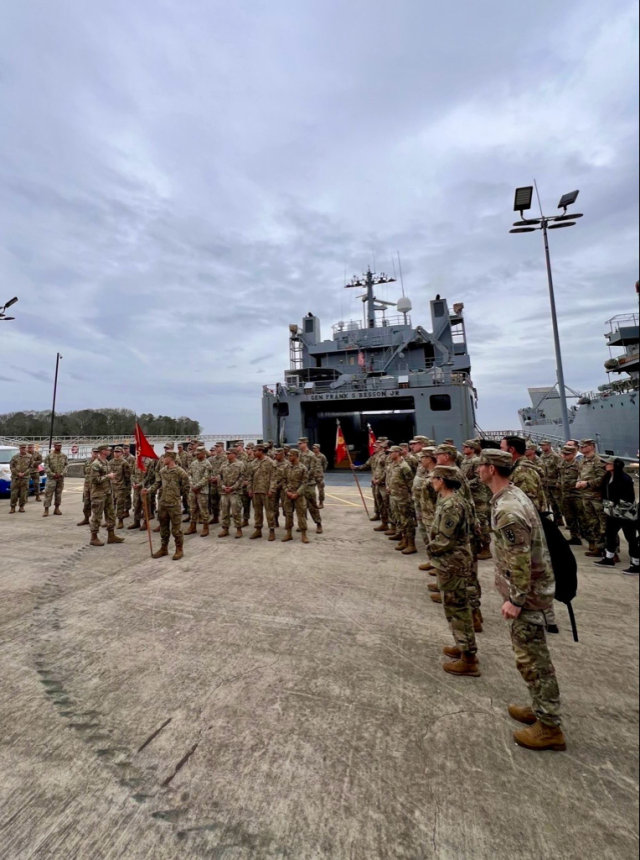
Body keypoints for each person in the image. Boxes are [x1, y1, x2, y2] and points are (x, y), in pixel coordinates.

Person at [478, 449, 566, 752]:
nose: (477, 471)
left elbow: (520, 558)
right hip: (531, 591)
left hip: (528, 597)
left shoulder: (508, 510)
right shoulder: (511, 495)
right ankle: (539, 707)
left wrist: (515, 599)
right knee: (531, 656)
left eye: (480, 467)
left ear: (491, 469)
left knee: (533, 660)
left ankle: (550, 726)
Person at [427, 465, 480, 678]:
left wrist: (431, 549)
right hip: (452, 561)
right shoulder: (453, 500)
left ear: (442, 480)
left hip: (451, 562)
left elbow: (445, 540)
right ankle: (462, 644)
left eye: (434, 478)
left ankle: (468, 657)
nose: (432, 481)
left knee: (457, 607)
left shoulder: (451, 505)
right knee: (455, 606)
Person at [594, 458, 639, 574]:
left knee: (631, 538)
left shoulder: (625, 479)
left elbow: (628, 498)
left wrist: (615, 505)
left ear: (617, 465)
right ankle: (609, 558)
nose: (607, 465)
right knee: (610, 534)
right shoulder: (608, 477)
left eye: (609, 463)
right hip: (612, 512)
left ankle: (636, 563)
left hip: (625, 514)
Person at [143, 451, 189, 560]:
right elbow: (157, 483)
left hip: (174, 504)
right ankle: (164, 548)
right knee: (163, 527)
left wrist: (177, 496)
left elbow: (186, 488)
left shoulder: (180, 472)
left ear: (171, 458)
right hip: (163, 503)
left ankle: (179, 549)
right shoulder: (162, 471)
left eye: (165, 457)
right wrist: (148, 490)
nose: (162, 459)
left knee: (176, 529)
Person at [461, 439, 492, 560]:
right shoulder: (465, 461)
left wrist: (466, 483)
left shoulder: (476, 460)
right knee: (472, 522)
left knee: (482, 522)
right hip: (469, 496)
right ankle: (477, 546)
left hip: (478, 496)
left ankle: (486, 548)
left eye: (466, 447)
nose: (464, 448)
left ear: (472, 449)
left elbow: (480, 479)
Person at [576, 439, 607, 558]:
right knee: (593, 523)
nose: (582, 448)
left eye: (585, 446)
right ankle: (599, 547)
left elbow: (602, 478)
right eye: (581, 446)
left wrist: (588, 483)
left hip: (597, 497)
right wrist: (579, 481)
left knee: (604, 524)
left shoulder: (598, 461)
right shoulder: (583, 460)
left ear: (592, 447)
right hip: (586, 496)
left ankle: (612, 551)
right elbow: (580, 474)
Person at [88, 446, 125, 548]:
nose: (110, 451)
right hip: (99, 494)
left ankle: (111, 535)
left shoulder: (106, 462)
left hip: (108, 492)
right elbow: (95, 480)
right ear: (103, 451)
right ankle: (94, 537)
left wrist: (111, 478)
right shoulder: (96, 464)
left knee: (111, 514)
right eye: (108, 450)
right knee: (97, 516)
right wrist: (108, 477)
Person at [501, 436, 547, 513]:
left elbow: (530, 504)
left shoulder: (523, 471)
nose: (500, 451)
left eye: (502, 448)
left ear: (511, 450)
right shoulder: (517, 467)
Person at [386, 446, 417, 554]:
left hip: (403, 498)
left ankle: (411, 544)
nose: (389, 454)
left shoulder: (404, 466)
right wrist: (389, 487)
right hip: (394, 496)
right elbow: (391, 479)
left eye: (391, 452)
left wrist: (411, 498)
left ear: (397, 453)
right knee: (400, 520)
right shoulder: (393, 465)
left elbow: (410, 483)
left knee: (407, 521)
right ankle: (405, 540)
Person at [279, 449, 309, 543]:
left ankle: (304, 534)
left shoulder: (302, 468)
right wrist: (287, 491)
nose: (289, 457)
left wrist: (297, 493)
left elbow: (304, 483)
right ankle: (289, 533)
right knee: (288, 514)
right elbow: (283, 480)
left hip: (298, 496)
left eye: (291, 455)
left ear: (296, 456)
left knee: (301, 515)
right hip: (288, 495)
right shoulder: (286, 467)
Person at [248, 444, 277, 540]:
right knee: (257, 512)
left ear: (261, 451)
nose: (254, 453)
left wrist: (271, 489)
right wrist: (250, 489)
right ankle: (258, 530)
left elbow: (274, 477)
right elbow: (250, 478)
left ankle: (272, 530)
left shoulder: (270, 462)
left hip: (266, 491)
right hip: (256, 491)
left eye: (255, 451)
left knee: (269, 512)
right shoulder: (253, 463)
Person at [559, 445, 585, 545]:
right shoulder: (562, 463)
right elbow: (559, 475)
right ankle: (574, 537)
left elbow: (582, 477)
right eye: (563, 454)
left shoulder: (579, 464)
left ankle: (591, 540)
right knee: (569, 518)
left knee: (582, 518)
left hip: (577, 494)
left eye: (567, 454)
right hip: (565, 494)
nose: (564, 456)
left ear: (573, 454)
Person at [218, 448, 245, 538]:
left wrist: (233, 487)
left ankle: (238, 529)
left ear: (235, 454)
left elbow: (242, 477)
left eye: (229, 453)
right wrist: (223, 486)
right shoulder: (224, 464)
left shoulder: (240, 464)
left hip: (235, 492)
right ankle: (225, 528)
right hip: (224, 492)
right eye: (227, 453)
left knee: (236, 511)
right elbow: (220, 476)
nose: (227, 455)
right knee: (224, 511)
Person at [186, 446, 213, 537]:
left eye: (199, 453)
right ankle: (192, 526)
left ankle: (206, 528)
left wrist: (197, 486)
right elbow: (189, 474)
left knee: (203, 510)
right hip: (192, 490)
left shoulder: (207, 464)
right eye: (196, 454)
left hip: (202, 491)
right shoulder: (193, 463)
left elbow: (206, 478)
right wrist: (191, 484)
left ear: (203, 453)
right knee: (192, 509)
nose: (197, 455)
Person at [298, 438, 323, 534]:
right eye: (298, 443)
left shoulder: (312, 455)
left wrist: (303, 478)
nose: (299, 445)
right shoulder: (299, 455)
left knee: (312, 505)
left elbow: (312, 470)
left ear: (305, 443)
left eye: (300, 443)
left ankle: (318, 524)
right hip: (300, 484)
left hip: (309, 484)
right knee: (301, 506)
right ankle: (303, 525)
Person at [540, 440, 564, 526]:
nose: (542, 447)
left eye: (544, 445)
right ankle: (557, 520)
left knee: (559, 503)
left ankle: (564, 520)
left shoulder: (555, 456)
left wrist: (559, 481)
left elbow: (560, 470)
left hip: (554, 483)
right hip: (546, 483)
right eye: (541, 445)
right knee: (552, 503)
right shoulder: (542, 456)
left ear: (549, 445)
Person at [43, 442, 69, 517]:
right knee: (48, 494)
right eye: (57, 445)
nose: (59, 447)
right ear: (54, 446)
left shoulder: (63, 456)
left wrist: (62, 474)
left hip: (60, 478)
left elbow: (66, 466)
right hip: (51, 478)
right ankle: (46, 509)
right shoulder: (49, 456)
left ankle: (57, 508)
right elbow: (46, 466)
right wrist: (52, 474)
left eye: (60, 445)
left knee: (58, 494)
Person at [110, 447, 132, 529]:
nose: (116, 453)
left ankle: (120, 520)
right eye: (115, 452)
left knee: (120, 504)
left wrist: (126, 487)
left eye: (118, 452)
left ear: (121, 453)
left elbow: (127, 476)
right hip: (112, 486)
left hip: (121, 487)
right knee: (111, 505)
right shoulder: (111, 462)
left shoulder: (124, 463)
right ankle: (110, 520)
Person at [77, 448, 100, 526]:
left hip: (96, 487)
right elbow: (85, 472)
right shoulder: (87, 462)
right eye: (94, 452)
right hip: (87, 486)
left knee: (96, 504)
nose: (95, 454)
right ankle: (86, 518)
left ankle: (95, 520)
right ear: (91, 452)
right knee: (86, 503)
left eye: (97, 452)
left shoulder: (100, 462)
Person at [9, 443, 31, 514]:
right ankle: (13, 507)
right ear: (20, 448)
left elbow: (31, 467)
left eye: (24, 448)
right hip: (16, 478)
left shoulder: (29, 457)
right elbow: (11, 466)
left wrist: (24, 473)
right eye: (22, 448)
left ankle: (21, 506)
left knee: (23, 493)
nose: (23, 449)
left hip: (25, 478)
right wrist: (17, 473)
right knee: (14, 493)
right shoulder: (15, 457)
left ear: (26, 448)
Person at [312, 444, 328, 509]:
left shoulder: (322, 456)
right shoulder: (311, 456)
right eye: (313, 448)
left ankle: (321, 502)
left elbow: (325, 464)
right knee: (311, 490)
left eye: (315, 448)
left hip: (319, 476)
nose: (314, 449)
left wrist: (322, 471)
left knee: (320, 489)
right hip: (312, 475)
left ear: (318, 449)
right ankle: (312, 503)